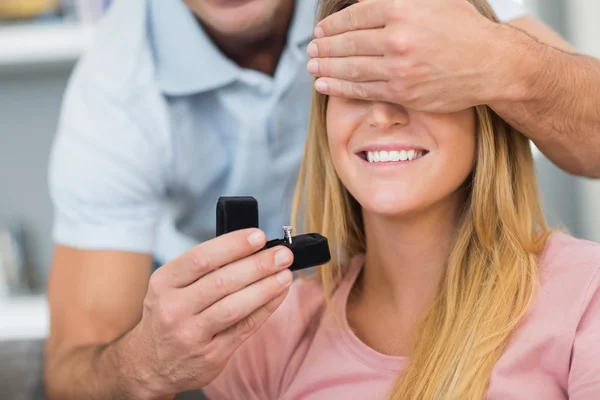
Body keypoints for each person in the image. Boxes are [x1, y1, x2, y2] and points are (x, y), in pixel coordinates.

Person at [43, 0, 600, 398]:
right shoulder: (115, 93)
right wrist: (148, 363)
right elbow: (75, 367)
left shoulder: (580, 301)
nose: (383, 113)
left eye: (407, 78)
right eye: (356, 87)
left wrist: (513, 62)